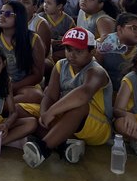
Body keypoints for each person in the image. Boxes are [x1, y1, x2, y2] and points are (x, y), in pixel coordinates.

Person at [23, 27, 113, 168]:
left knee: (79, 106)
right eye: (69, 50)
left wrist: (51, 112)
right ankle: (64, 145)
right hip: (67, 120)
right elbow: (50, 95)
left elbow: (83, 95)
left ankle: (44, 148)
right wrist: (44, 114)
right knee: (23, 110)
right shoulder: (60, 65)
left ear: (92, 51)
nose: (72, 55)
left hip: (97, 127)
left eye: (79, 51)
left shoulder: (96, 71)